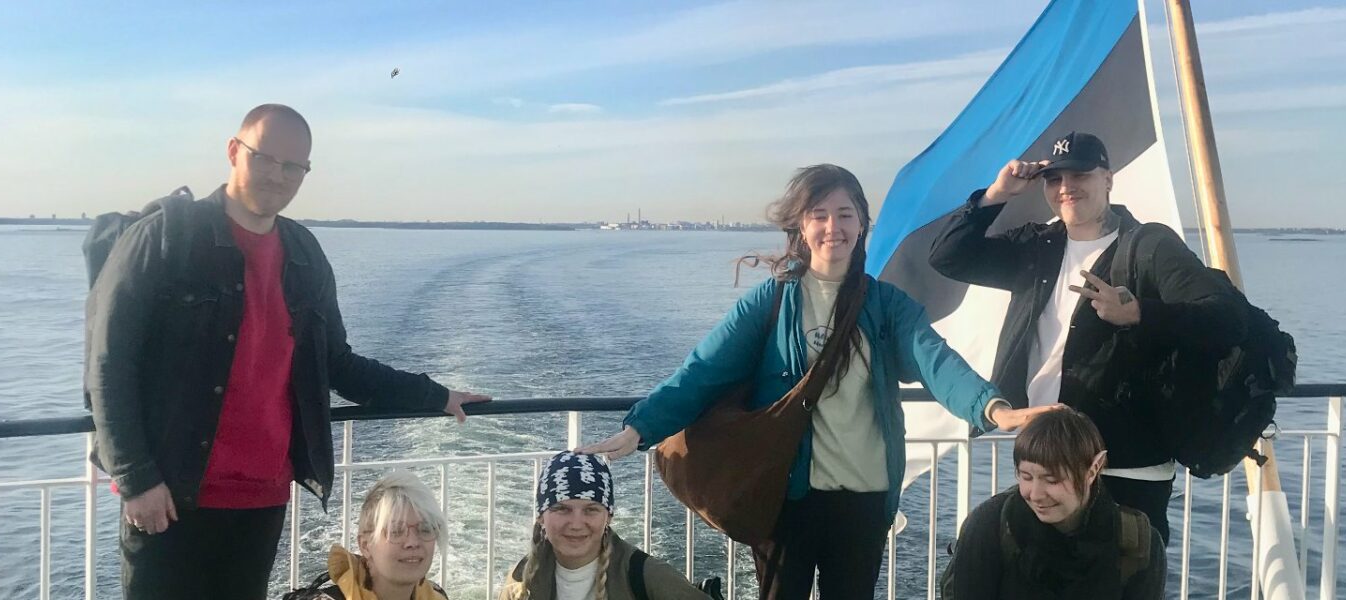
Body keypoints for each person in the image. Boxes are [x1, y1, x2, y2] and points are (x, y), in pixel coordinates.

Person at [580, 164, 1058, 600]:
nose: (834, 227)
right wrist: (638, 428)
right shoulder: (774, 300)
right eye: (820, 215)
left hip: (866, 499)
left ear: (861, 224)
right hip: (788, 498)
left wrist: (995, 408)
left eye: (845, 214)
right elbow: (703, 371)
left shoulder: (885, 304)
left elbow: (936, 361)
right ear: (802, 228)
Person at [84, 103, 491, 599]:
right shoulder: (167, 237)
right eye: (265, 158)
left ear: (305, 172)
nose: (278, 174)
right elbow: (109, 364)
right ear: (234, 152)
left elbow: (337, 362)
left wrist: (435, 394)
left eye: (293, 165)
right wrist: (135, 477)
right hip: (171, 493)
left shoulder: (303, 253)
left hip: (260, 497)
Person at [928, 131, 1248, 543]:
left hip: (1126, 469)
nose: (1066, 187)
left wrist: (1138, 312)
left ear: (1108, 179)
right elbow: (948, 257)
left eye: (1080, 174)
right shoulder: (1037, 245)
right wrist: (995, 195)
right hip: (1046, 464)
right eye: (1054, 178)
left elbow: (1227, 320)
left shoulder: (1149, 246)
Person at [940, 409, 1165, 599]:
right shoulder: (988, 525)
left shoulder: (1138, 543)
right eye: (1026, 477)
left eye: (1052, 480)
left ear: (1093, 470)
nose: (1036, 495)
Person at [499, 451, 711, 600]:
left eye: (591, 510)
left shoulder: (648, 577)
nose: (576, 524)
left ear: (608, 516)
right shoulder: (520, 582)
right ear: (541, 516)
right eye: (561, 509)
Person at [286, 470, 449, 600]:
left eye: (425, 529)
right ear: (365, 545)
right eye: (396, 531)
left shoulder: (436, 595)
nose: (413, 542)